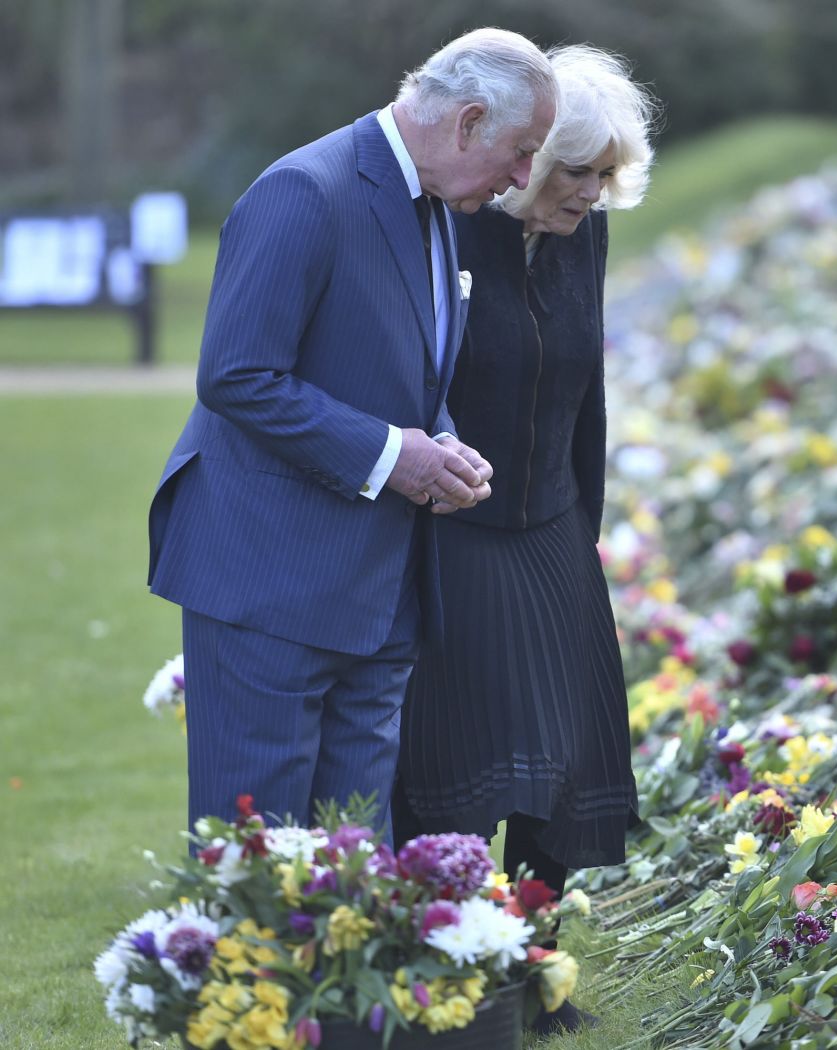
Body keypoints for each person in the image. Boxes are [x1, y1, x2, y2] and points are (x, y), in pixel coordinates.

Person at [147, 28, 558, 837]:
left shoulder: (438, 200)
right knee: (259, 870)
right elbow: (236, 373)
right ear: (468, 120)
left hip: (378, 595)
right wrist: (390, 455)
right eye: (521, 152)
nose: (522, 180)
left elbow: (400, 365)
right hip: (269, 583)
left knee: (354, 873)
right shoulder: (305, 189)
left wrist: (437, 445)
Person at [392, 44, 655, 1030]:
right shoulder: (446, 234)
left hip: (548, 522)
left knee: (566, 759)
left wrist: (580, 530)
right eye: (569, 172)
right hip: (455, 524)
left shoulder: (583, 238)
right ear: (522, 161)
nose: (587, 193)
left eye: (602, 175)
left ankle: (534, 972)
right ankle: (456, 977)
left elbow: (585, 393)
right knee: (456, 763)